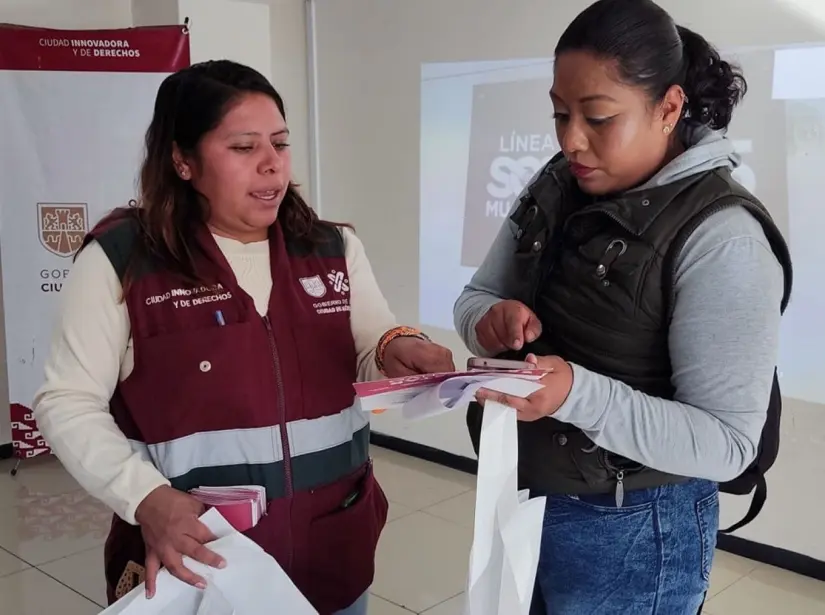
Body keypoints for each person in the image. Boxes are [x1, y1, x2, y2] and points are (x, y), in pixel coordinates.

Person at [33, 59, 454, 615]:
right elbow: (67, 402)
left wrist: (398, 349)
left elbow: (369, 341)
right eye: (243, 148)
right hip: (201, 563)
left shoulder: (331, 248)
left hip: (333, 550)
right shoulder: (124, 261)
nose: (272, 166)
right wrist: (147, 499)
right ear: (182, 160)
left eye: (279, 144)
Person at [454, 1, 791, 613]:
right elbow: (475, 296)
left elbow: (727, 443)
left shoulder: (725, 238)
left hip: (634, 527)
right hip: (524, 494)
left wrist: (575, 393)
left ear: (668, 108)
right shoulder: (558, 181)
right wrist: (487, 319)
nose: (570, 140)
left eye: (599, 117)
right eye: (560, 114)